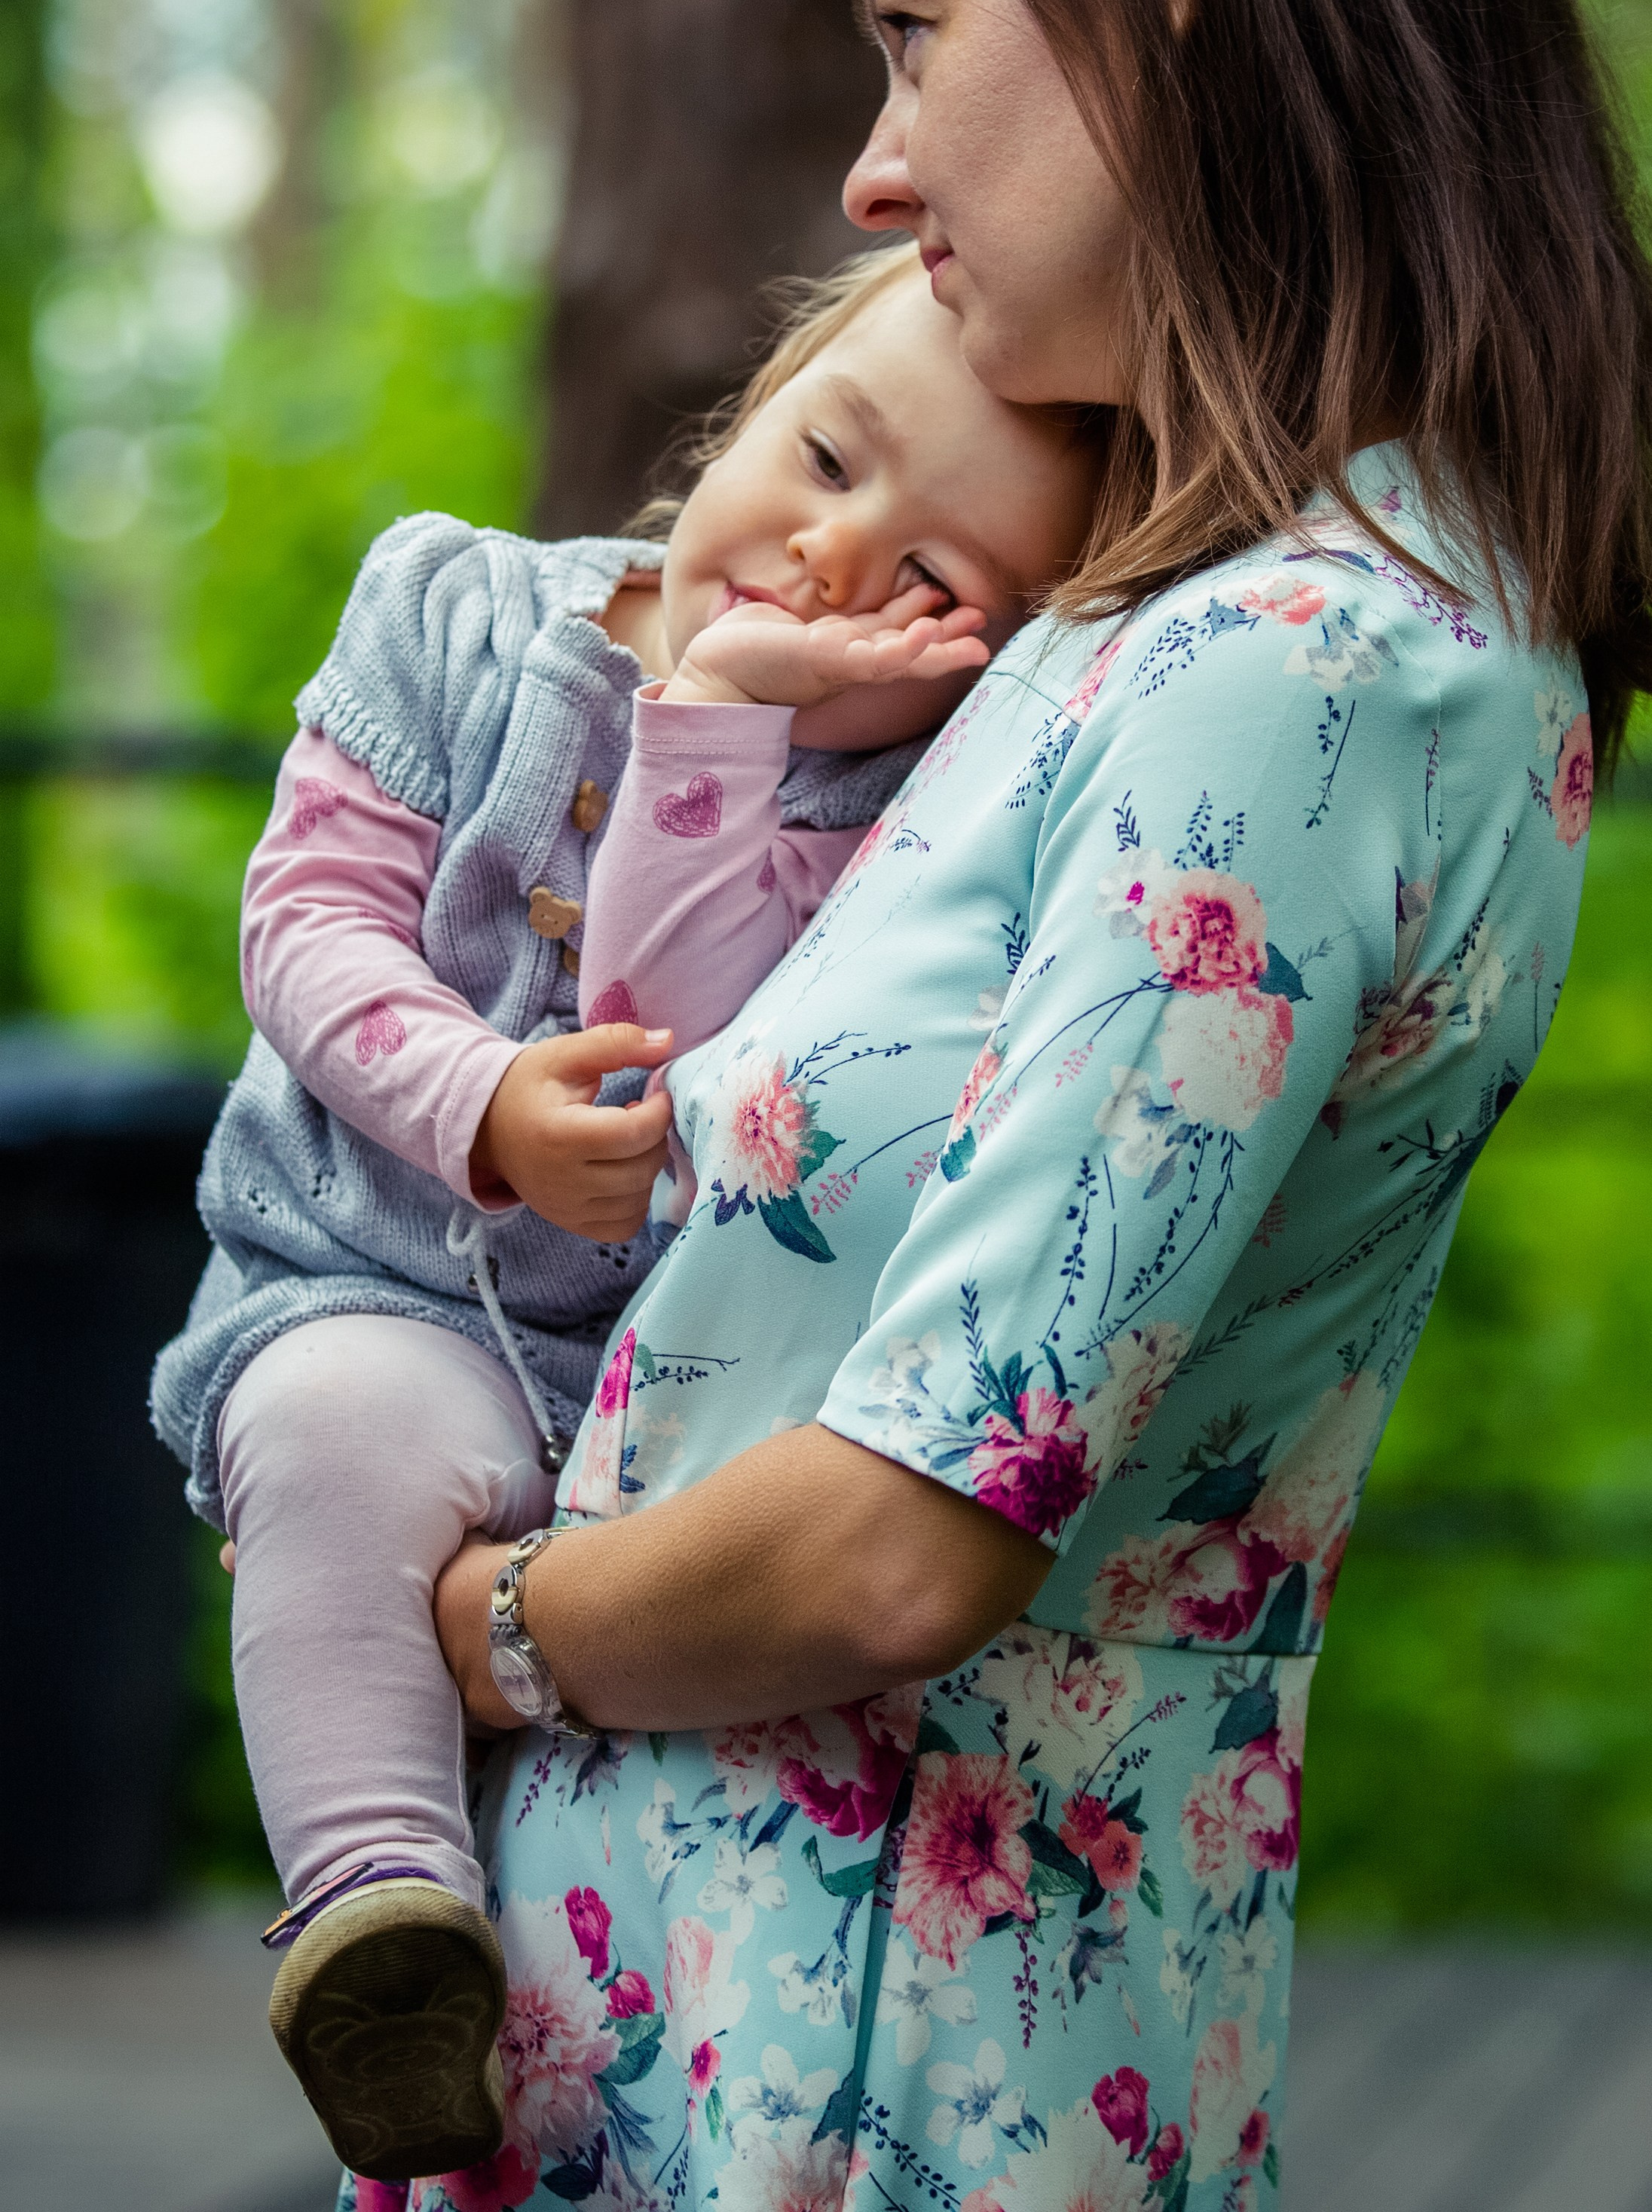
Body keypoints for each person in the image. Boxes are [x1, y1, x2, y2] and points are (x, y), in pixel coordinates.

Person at [395, 0, 1651, 2208]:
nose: (871, 172)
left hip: (853, 2077)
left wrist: (463, 1622)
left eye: (912, 30)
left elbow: (908, 1533)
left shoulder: (1295, 667)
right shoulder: (1187, 623)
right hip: (744, 2032)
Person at [148, 238, 1100, 2182]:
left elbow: (670, 1033)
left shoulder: (893, 810)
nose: (839, 559)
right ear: (763, 392)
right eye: (830, 459)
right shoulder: (456, 609)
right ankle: (373, 1925)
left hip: (650, 1392)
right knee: (331, 1445)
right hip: (373, 1285)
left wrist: (725, 720)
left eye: (932, 582)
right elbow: (305, 915)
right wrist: (473, 1096)